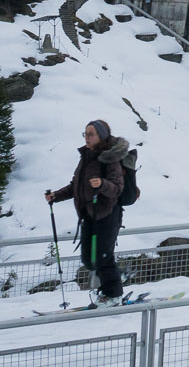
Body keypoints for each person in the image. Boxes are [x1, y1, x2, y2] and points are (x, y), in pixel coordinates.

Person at [46, 120, 131, 304]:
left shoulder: (110, 159)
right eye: (85, 133)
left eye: (91, 133)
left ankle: (113, 295)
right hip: (89, 215)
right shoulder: (86, 157)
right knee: (89, 259)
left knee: (103, 257)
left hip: (107, 215)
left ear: (101, 136)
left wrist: (102, 184)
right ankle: (116, 278)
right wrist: (56, 196)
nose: (87, 137)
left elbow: (117, 188)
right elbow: (75, 186)